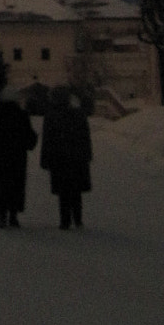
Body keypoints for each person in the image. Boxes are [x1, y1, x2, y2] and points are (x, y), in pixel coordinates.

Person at [0, 95, 37, 227]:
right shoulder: (22, 116)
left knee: (0, 185)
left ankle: (2, 215)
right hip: (17, 159)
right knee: (15, 186)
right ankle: (13, 216)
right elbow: (30, 138)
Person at [40, 87, 92, 229]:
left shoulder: (52, 116)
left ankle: (65, 220)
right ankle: (78, 219)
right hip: (76, 159)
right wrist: (87, 155)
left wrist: (45, 160)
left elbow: (47, 140)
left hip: (59, 159)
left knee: (64, 192)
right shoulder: (78, 114)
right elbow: (85, 137)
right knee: (76, 191)